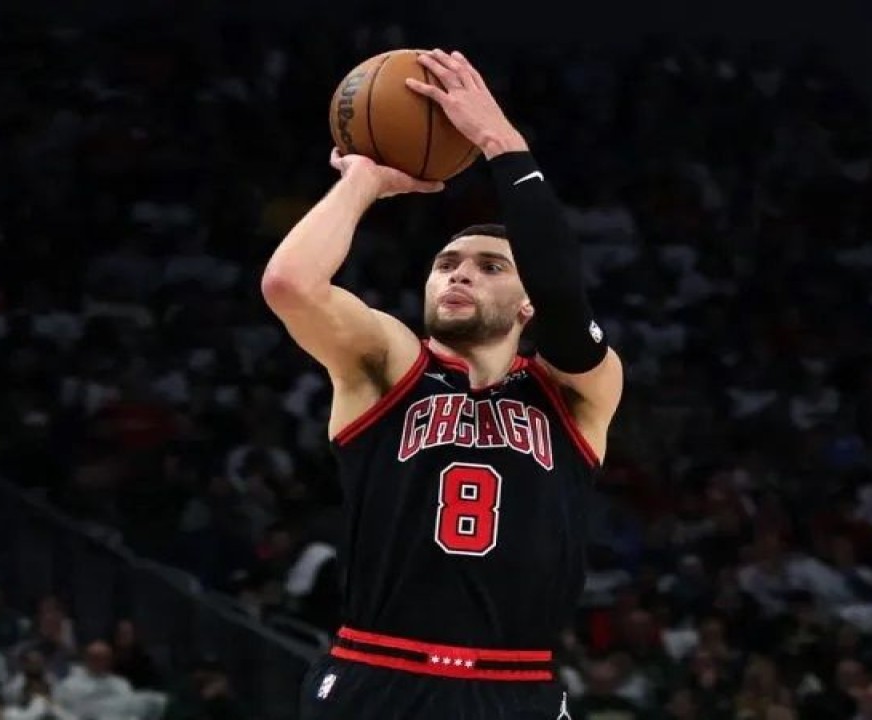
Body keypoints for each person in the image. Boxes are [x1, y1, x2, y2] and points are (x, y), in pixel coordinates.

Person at [263, 49, 624, 719]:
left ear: (527, 305)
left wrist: (501, 143)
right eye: (447, 263)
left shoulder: (575, 391)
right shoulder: (390, 368)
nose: (459, 274)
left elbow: (565, 297)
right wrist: (362, 183)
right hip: (380, 672)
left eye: (489, 267)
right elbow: (291, 285)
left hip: (518, 687)